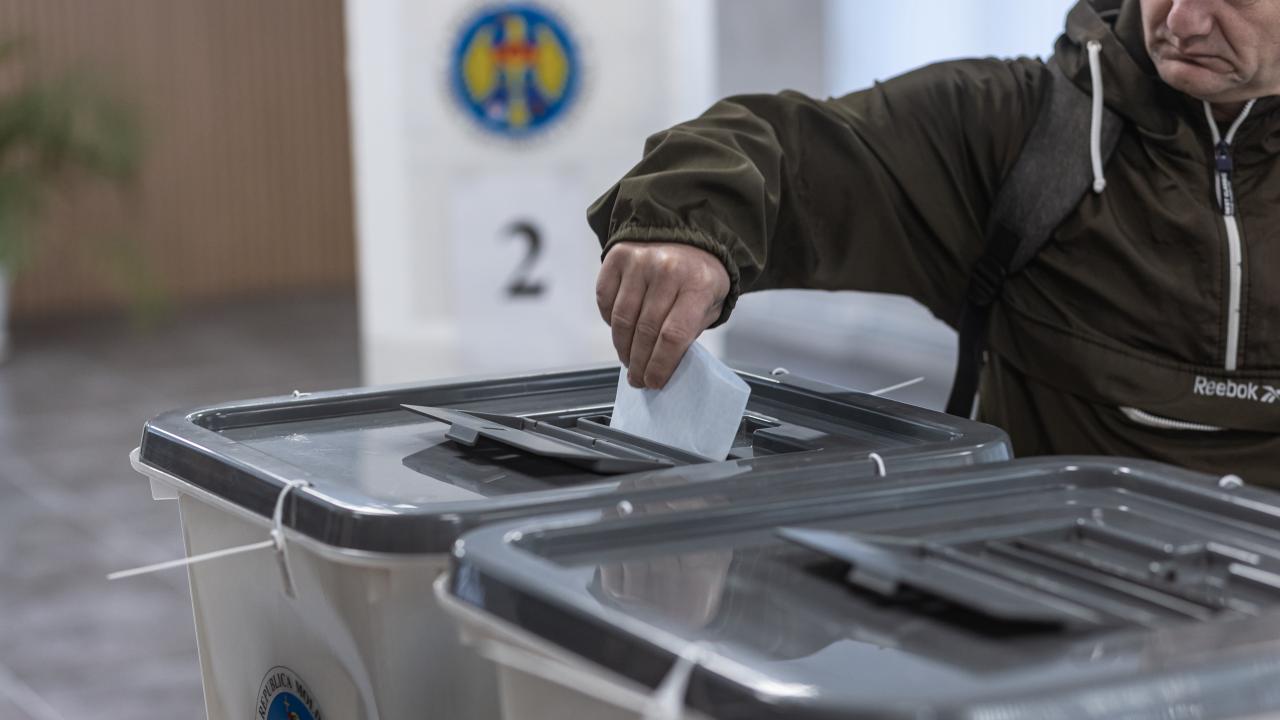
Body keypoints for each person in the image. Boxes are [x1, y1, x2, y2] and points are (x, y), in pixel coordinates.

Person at [588, 0, 1280, 485]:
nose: (1183, 20)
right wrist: (688, 224)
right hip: (1052, 613)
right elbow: (788, 147)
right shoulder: (1027, 135)